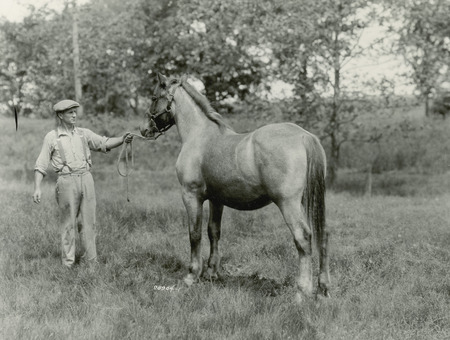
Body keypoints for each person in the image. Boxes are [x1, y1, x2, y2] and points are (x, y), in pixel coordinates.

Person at [32, 99, 133, 268]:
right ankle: (68, 264)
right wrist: (37, 188)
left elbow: (104, 142)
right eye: (70, 112)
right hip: (66, 182)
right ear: (60, 115)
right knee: (68, 224)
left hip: (86, 179)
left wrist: (123, 139)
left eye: (74, 112)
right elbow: (41, 164)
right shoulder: (52, 137)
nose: (74, 115)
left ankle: (92, 263)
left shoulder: (83, 133)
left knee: (89, 224)